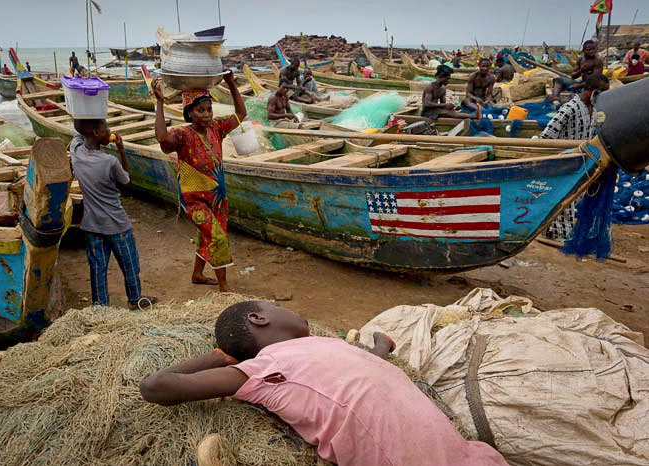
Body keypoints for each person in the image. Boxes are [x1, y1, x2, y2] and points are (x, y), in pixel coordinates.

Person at [139, 301, 509, 466]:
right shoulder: (266, 368)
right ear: (258, 318)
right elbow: (155, 386)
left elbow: (359, 375)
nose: (293, 309)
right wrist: (227, 355)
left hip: (467, 456)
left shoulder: (324, 345)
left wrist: (379, 347)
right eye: (274, 305)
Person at [152, 71, 246, 293]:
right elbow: (162, 138)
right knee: (217, 237)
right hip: (195, 200)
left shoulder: (217, 128)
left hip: (218, 197)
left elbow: (241, 114)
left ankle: (197, 274)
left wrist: (232, 84)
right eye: (200, 110)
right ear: (189, 113)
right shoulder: (182, 135)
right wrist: (159, 102)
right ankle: (224, 289)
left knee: (207, 236)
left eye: (209, 109)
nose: (206, 114)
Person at [70, 119, 157, 310]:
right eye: (105, 129)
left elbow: (78, 129)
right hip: (116, 223)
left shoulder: (75, 151)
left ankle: (100, 306)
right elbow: (127, 183)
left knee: (97, 268)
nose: (109, 131)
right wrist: (121, 150)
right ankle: (135, 299)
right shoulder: (109, 161)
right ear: (95, 132)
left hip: (91, 223)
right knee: (129, 264)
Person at [540, 74, 610, 241]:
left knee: (571, 199)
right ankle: (560, 237)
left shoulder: (593, 110)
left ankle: (551, 232)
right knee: (565, 201)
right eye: (600, 92)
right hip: (565, 163)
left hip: (582, 163)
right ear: (590, 90)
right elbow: (547, 137)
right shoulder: (570, 108)